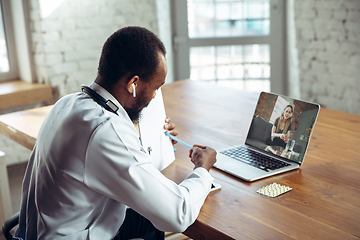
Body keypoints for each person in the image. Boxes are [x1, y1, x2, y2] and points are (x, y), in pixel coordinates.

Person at [15, 26, 217, 240]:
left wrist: (154, 141)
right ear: (134, 84)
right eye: (156, 88)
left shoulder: (68, 104)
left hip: (41, 230)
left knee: (146, 219)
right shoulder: (104, 130)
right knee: (160, 216)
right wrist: (202, 169)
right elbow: (178, 213)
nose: (155, 96)